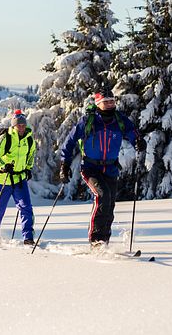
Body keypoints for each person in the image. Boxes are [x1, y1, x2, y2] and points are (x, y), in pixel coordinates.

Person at [59, 89, 140, 249]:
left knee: (109, 204)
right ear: (98, 103)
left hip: (110, 168)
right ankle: (96, 241)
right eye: (106, 102)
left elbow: (131, 132)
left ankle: (104, 242)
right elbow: (70, 141)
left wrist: (137, 140)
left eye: (112, 101)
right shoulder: (88, 121)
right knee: (102, 196)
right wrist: (65, 164)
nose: (110, 104)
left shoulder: (119, 120)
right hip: (90, 168)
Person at [0, 110, 36, 245]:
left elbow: (31, 155)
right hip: (3, 178)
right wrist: (4, 166)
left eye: (23, 124)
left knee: (26, 208)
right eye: (18, 125)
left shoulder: (29, 139)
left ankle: (28, 237)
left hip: (20, 179)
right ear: (13, 125)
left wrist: (28, 168)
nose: (21, 127)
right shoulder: (5, 138)